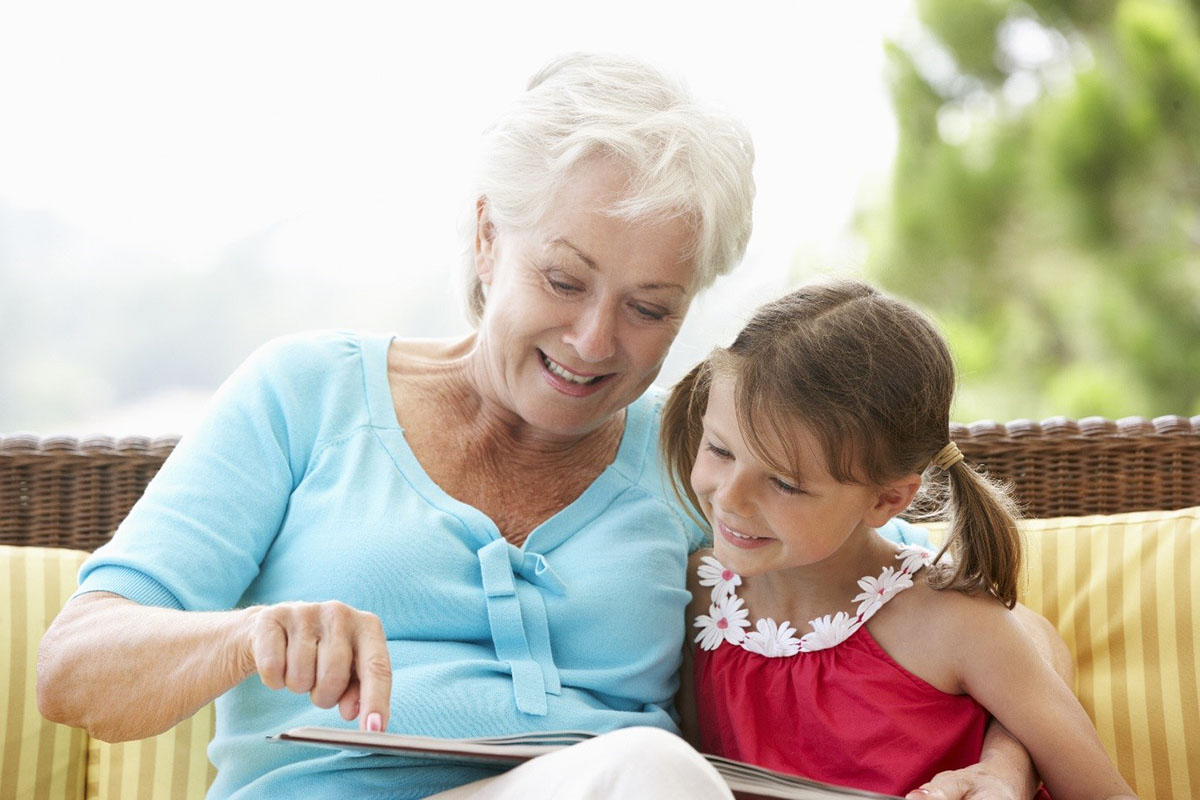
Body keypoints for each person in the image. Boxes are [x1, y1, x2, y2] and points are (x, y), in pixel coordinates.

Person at [38, 54, 1042, 799]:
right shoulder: (306, 394)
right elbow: (73, 671)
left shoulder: (700, 463)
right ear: (486, 237)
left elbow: (979, 620)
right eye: (564, 278)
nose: (595, 340)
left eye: (651, 307)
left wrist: (1004, 761)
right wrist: (251, 633)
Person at [662, 281, 1137, 800]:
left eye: (784, 483)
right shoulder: (696, 597)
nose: (730, 498)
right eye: (720, 450)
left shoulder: (955, 624)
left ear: (887, 501)